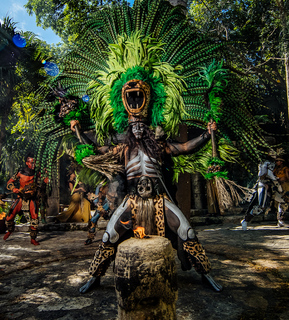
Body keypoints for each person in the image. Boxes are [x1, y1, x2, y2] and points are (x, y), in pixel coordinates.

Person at [77, 112, 222, 293]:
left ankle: (205, 273)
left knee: (187, 230)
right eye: (134, 126)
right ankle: (94, 277)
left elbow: (185, 147)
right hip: (132, 200)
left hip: (159, 199)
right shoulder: (122, 150)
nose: (138, 128)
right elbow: (95, 150)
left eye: (142, 126)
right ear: (129, 130)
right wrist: (79, 132)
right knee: (109, 236)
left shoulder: (160, 147)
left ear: (147, 129)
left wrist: (207, 134)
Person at [3, 155, 48, 245]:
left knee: (34, 218)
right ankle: (9, 230)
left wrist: (46, 176)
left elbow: (46, 181)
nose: (33, 165)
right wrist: (13, 189)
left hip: (32, 197)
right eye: (32, 162)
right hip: (21, 197)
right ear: (27, 163)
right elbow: (9, 182)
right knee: (9, 217)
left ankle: (33, 239)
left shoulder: (37, 173)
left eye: (35, 162)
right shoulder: (20, 172)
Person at [241, 153, 289, 230]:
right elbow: (269, 175)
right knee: (260, 207)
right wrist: (276, 180)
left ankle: (281, 220)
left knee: (283, 201)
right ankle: (245, 220)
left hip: (271, 186)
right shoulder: (266, 163)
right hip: (264, 185)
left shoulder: (268, 164)